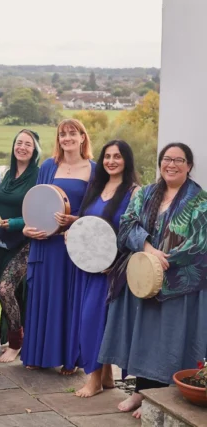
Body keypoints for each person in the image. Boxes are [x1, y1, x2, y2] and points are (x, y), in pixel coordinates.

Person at [98, 142, 207, 418]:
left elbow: (200, 243)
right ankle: (140, 392)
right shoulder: (145, 193)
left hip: (179, 283)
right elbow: (127, 225)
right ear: (160, 164)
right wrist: (148, 249)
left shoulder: (200, 201)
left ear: (189, 166)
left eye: (179, 160)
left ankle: (162, 396)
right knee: (145, 336)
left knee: (169, 339)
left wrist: (166, 259)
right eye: (166, 159)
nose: (171, 165)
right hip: (143, 277)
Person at [67, 141, 140, 397]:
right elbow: (88, 222)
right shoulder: (96, 188)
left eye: (117, 156)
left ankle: (93, 381)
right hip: (86, 267)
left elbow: (135, 233)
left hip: (111, 272)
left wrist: (115, 261)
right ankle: (106, 376)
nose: (111, 161)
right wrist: (73, 234)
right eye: (107, 156)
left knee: (94, 322)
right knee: (89, 320)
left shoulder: (133, 192)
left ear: (126, 160)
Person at [22, 119, 95, 373]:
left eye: (72, 133)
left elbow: (96, 210)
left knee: (69, 299)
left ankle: (69, 358)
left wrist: (74, 220)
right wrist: (27, 227)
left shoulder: (94, 169)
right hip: (45, 242)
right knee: (42, 296)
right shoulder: (48, 166)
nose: (67, 138)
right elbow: (36, 202)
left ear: (82, 137)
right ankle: (36, 354)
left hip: (71, 244)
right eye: (63, 134)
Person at [0, 130, 41, 362]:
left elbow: (43, 211)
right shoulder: (7, 174)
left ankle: (17, 342)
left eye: (28, 144)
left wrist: (16, 223)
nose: (22, 147)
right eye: (19, 142)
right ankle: (14, 336)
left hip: (26, 242)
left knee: (5, 289)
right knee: (5, 291)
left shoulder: (39, 175)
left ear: (35, 150)